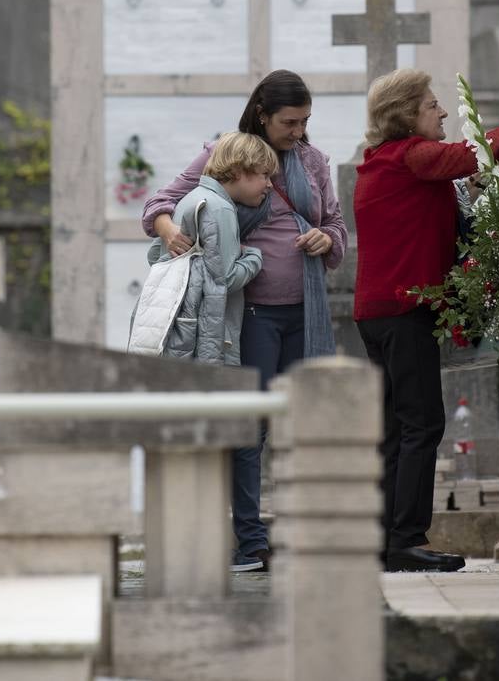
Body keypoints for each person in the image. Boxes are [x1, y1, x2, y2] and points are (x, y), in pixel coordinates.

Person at [143, 69, 347, 573]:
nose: (298, 132)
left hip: (308, 310)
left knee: (304, 425)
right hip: (252, 314)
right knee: (250, 428)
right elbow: (160, 203)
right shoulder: (227, 156)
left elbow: (337, 225)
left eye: (305, 122)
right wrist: (170, 232)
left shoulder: (314, 162)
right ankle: (250, 540)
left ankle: (306, 535)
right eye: (289, 122)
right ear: (262, 114)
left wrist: (327, 240)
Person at [353, 68, 499, 573]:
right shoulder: (409, 155)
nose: (442, 112)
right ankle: (406, 539)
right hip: (402, 311)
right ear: (407, 115)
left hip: (380, 313)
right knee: (422, 424)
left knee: (396, 429)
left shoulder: (387, 162)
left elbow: (445, 193)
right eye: (432, 105)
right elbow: (473, 153)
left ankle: (387, 540)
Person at [128, 132, 277, 365]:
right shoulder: (221, 209)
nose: (269, 184)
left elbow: (155, 255)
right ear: (238, 171)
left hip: (174, 325)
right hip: (208, 333)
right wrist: (253, 256)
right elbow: (225, 279)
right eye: (265, 175)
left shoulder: (190, 198)